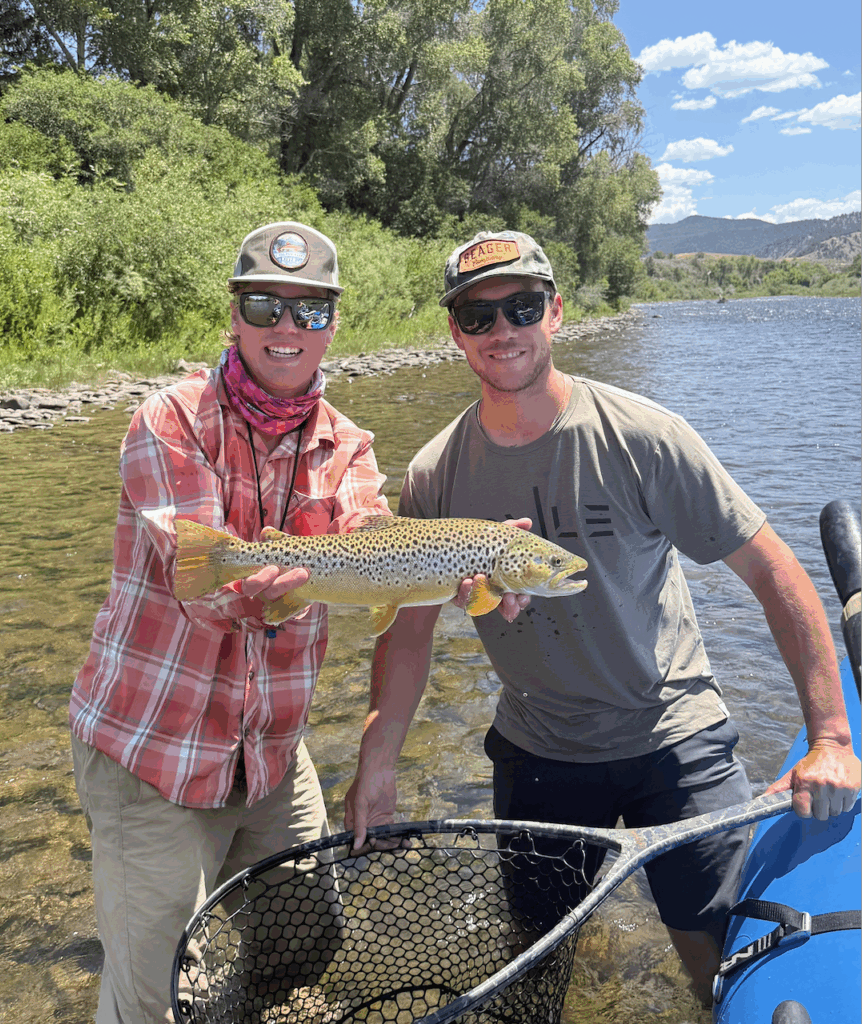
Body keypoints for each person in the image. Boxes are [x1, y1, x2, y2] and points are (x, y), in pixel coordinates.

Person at [344, 229, 862, 1004]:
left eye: (519, 307)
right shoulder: (434, 473)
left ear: (553, 312)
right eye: (477, 317)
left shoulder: (642, 435)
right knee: (537, 960)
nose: (501, 331)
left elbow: (774, 575)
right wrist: (377, 763)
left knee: (715, 963)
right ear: (455, 333)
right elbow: (408, 635)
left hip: (675, 741)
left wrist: (828, 738)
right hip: (539, 751)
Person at [69, 221, 399, 1024]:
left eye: (310, 312)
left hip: (271, 752)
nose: (287, 328)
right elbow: (205, 585)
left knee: (301, 942)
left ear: (332, 325)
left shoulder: (347, 443)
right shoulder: (170, 419)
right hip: (154, 751)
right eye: (266, 305)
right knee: (153, 998)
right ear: (235, 314)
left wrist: (455, 565)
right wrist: (285, 579)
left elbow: (368, 531)